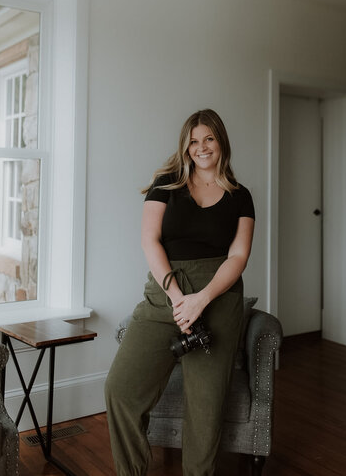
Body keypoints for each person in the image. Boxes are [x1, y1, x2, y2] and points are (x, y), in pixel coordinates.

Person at [105, 109, 255, 476]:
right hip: (164, 297)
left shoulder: (241, 196)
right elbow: (149, 240)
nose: (201, 147)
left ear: (221, 142)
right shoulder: (166, 183)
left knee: (205, 412)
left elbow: (239, 255)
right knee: (120, 390)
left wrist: (202, 299)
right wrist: (178, 299)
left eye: (208, 139)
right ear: (185, 146)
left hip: (218, 300)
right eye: (193, 140)